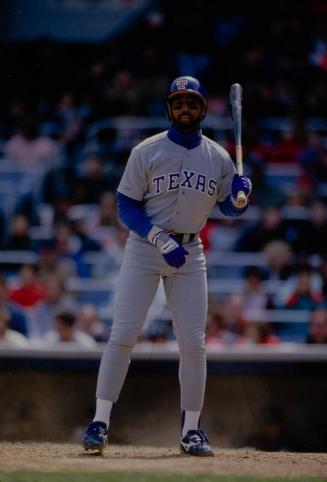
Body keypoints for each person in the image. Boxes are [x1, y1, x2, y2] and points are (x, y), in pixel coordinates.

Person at [82, 76, 252, 456]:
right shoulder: (147, 151)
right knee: (123, 334)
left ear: (203, 109)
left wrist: (240, 198)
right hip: (145, 249)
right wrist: (158, 237)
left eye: (191, 103)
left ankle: (191, 430)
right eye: (178, 103)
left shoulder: (219, 157)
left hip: (190, 255)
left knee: (193, 343)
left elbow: (227, 204)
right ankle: (99, 421)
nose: (185, 109)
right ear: (169, 108)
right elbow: (126, 205)